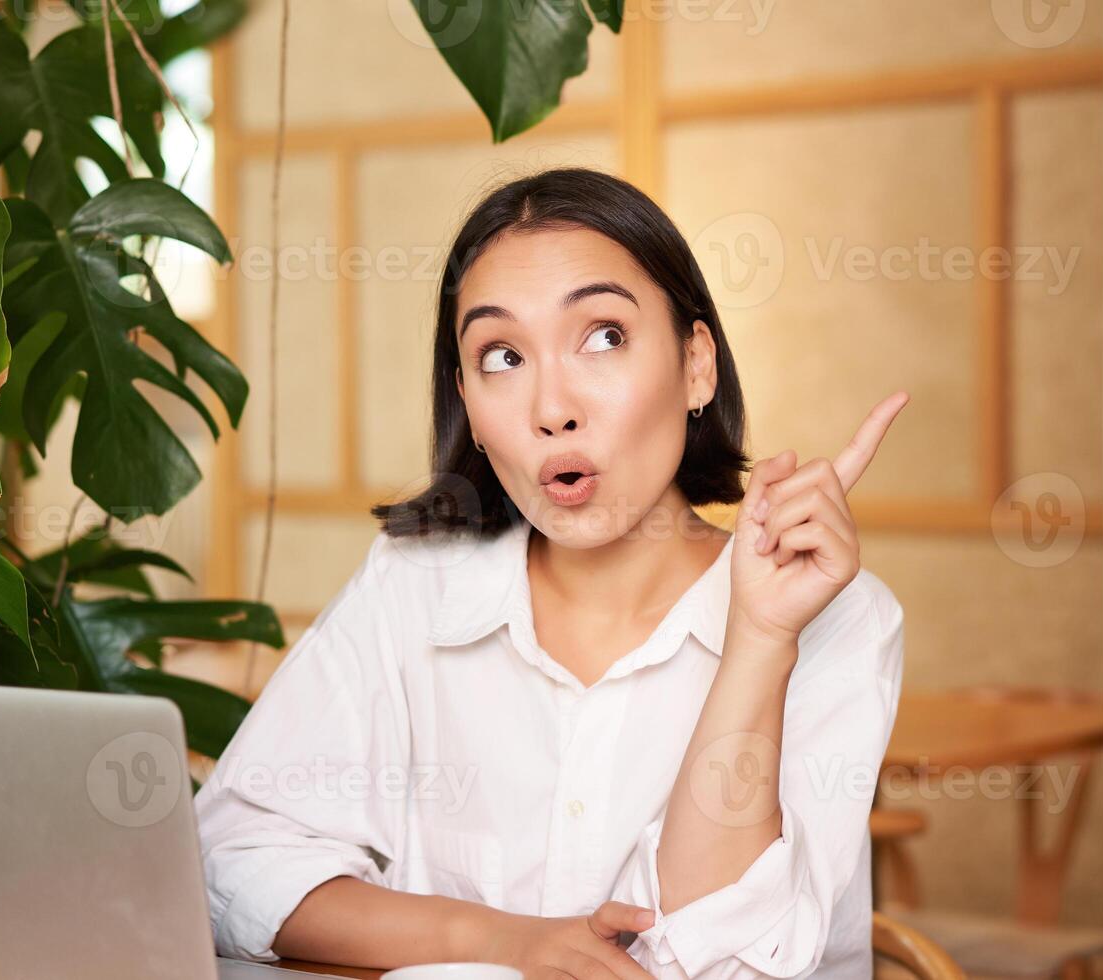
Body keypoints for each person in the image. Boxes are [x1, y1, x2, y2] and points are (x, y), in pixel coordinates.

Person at [195, 167, 908, 980]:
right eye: (501, 355)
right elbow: (235, 859)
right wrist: (499, 939)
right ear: (464, 395)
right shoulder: (413, 584)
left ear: (697, 363)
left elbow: (726, 959)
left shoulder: (837, 618)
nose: (551, 407)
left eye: (603, 336)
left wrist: (762, 637)